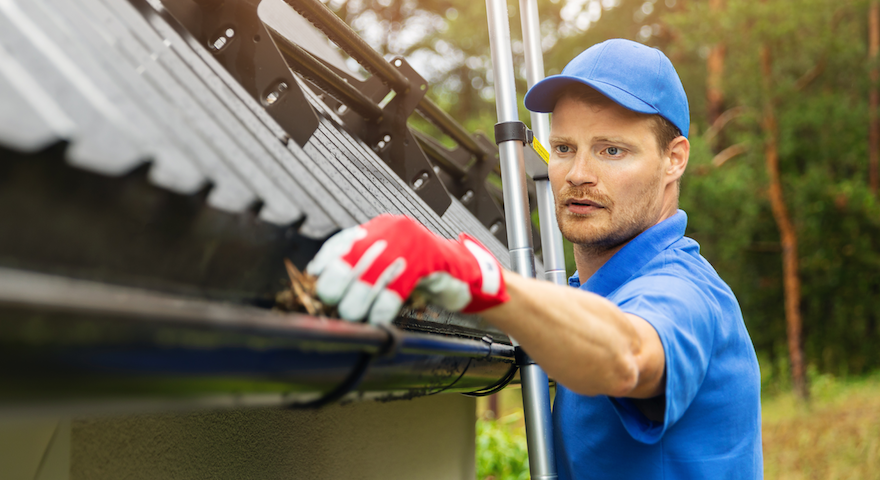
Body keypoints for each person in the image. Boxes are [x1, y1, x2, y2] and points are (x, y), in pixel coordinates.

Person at [305, 39, 763, 479]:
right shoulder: (585, 292)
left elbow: (629, 354)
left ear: (674, 159)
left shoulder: (683, 290)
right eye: (564, 148)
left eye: (612, 150)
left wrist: (479, 279)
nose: (579, 175)